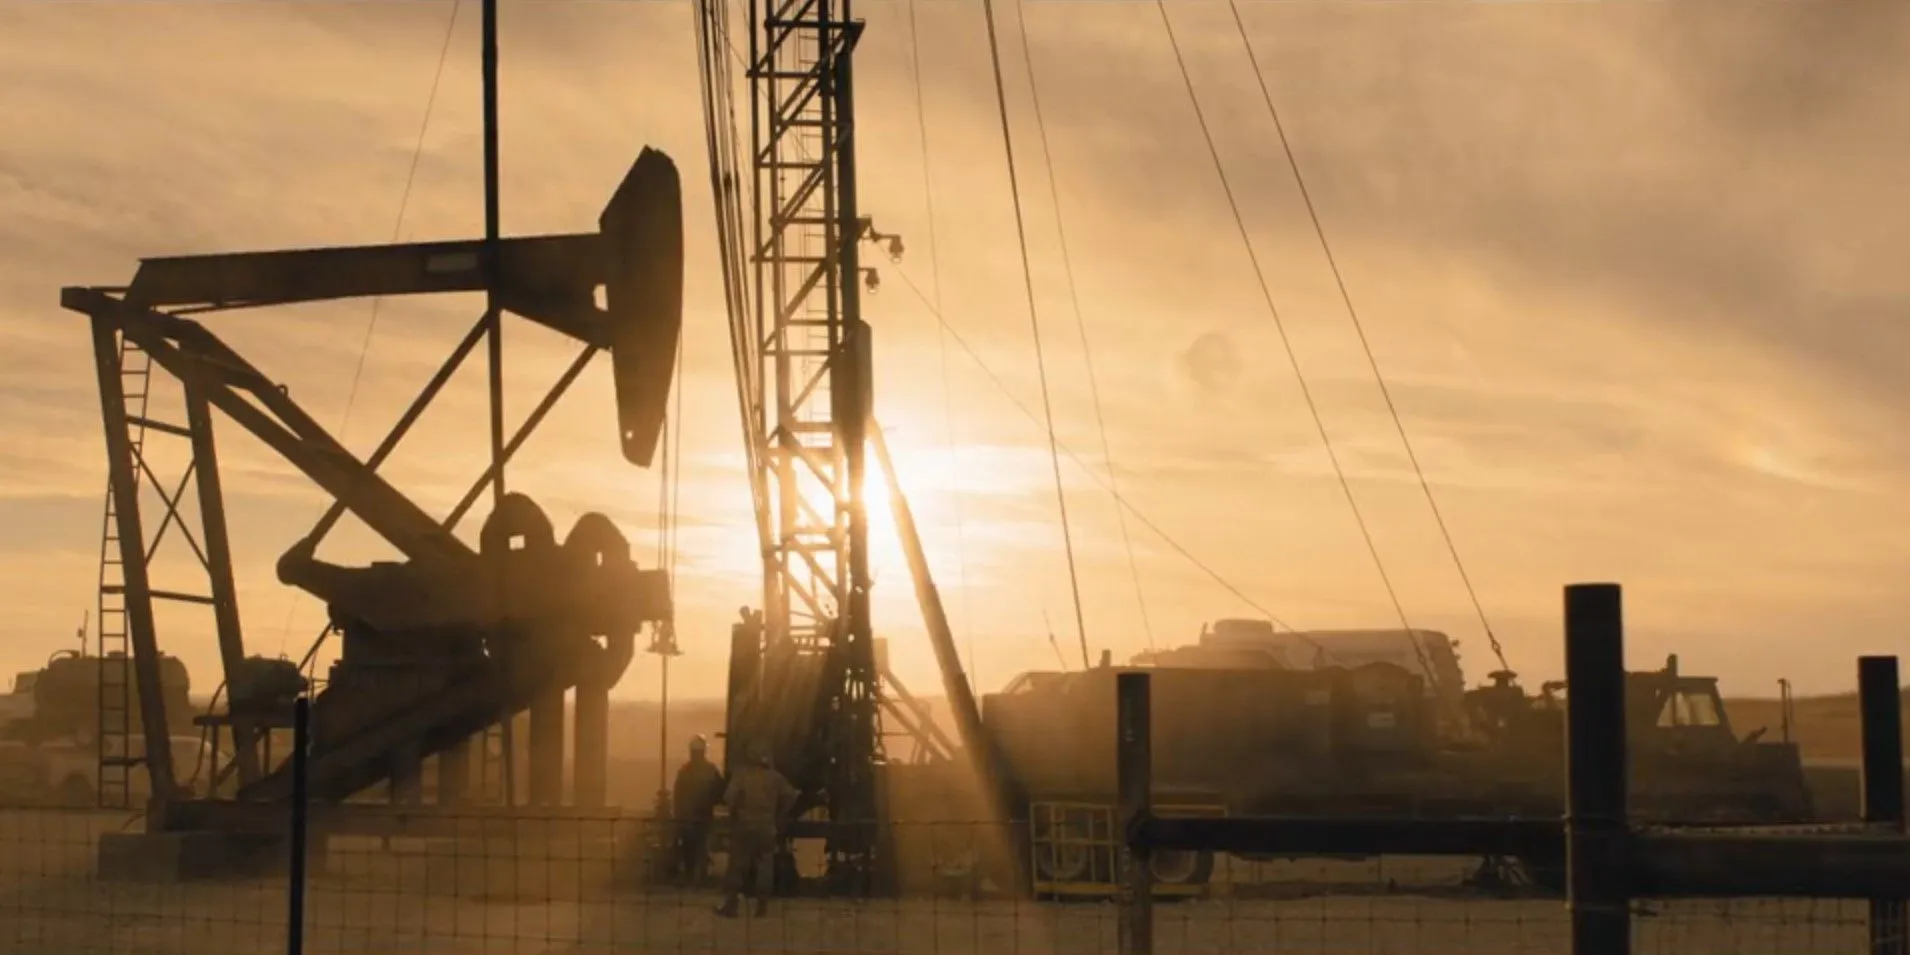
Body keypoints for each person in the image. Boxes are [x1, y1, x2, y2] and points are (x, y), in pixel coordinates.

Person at [715, 741, 799, 918]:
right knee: (765, 865)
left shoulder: (742, 776)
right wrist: (779, 815)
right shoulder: (775, 777)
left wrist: (736, 812)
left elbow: (729, 798)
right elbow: (791, 797)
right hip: (767, 827)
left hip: (744, 826)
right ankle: (762, 906)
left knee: (738, 865)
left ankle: (731, 905)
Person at [672, 735, 725, 885]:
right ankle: (700, 878)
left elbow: (678, 795)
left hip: (687, 817)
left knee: (689, 848)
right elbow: (719, 792)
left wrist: (678, 817)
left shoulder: (685, 771)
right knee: (701, 847)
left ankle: (691, 877)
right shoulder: (710, 770)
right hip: (703, 816)